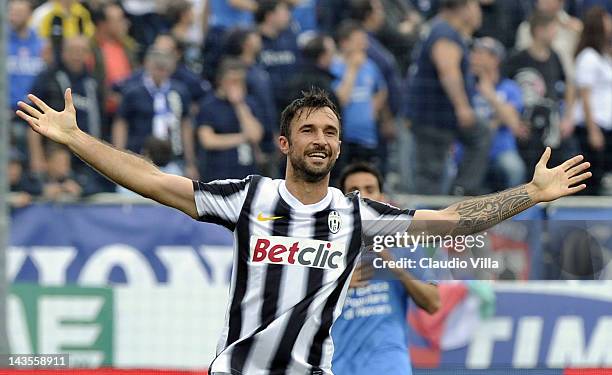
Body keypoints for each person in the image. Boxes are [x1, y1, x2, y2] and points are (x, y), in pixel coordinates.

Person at [17, 86, 590, 374]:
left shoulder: (356, 214)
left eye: (331, 132)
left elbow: (451, 222)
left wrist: (530, 194)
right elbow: (150, 180)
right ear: (286, 144)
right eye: (310, 130)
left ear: (338, 146)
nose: (322, 139)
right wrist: (75, 140)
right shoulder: (250, 198)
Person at [332, 162, 440, 375]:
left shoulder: (405, 245)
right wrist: (340, 283)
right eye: (353, 192)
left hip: (388, 365)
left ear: (382, 198)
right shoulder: (327, 247)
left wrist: (394, 266)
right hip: (339, 366)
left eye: (370, 190)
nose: (363, 196)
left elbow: (433, 303)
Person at [405, 0, 490, 196]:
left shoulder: (440, 28)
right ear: (464, 7)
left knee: (481, 133)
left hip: (438, 118)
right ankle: (452, 200)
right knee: (430, 180)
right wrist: (462, 107)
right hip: (433, 119)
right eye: (476, 5)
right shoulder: (445, 33)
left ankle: (460, 192)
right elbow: (448, 71)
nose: (479, 12)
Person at [503, 10, 578, 173]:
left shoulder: (555, 57)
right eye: (552, 29)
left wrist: (568, 117)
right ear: (539, 30)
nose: (555, 33)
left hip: (551, 128)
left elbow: (570, 84)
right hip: (526, 128)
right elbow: (504, 89)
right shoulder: (516, 58)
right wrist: (513, 120)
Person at [112, 48, 197, 179]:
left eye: (165, 68)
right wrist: (119, 156)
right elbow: (121, 123)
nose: (161, 72)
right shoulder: (133, 91)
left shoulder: (179, 91)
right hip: (139, 156)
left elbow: (185, 125)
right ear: (148, 66)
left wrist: (190, 162)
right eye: (158, 67)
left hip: (172, 158)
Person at [470, 37, 528, 191]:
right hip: (469, 151)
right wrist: (497, 119)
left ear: (495, 59)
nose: (473, 57)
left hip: (501, 150)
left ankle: (512, 214)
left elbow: (514, 124)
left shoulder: (510, 87)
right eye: (473, 52)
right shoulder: (466, 87)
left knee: (514, 168)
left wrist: (490, 96)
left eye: (480, 53)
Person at [196, 58, 264, 181]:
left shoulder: (249, 104)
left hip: (246, 172)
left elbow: (255, 135)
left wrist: (239, 104)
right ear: (221, 81)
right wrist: (243, 137)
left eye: (240, 81)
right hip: (218, 173)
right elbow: (208, 140)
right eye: (233, 81)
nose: (237, 85)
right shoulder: (208, 105)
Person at [332, 21, 387, 170]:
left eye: (364, 41)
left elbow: (381, 90)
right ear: (344, 43)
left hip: (368, 137)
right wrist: (352, 69)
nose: (363, 46)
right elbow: (340, 99)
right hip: (346, 137)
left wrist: (373, 109)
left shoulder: (370, 66)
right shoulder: (334, 67)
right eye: (358, 42)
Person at [572, 6, 612, 195]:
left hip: (606, 125)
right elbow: (585, 96)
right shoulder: (587, 57)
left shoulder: (603, 57)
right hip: (593, 126)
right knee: (592, 178)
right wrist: (593, 130)